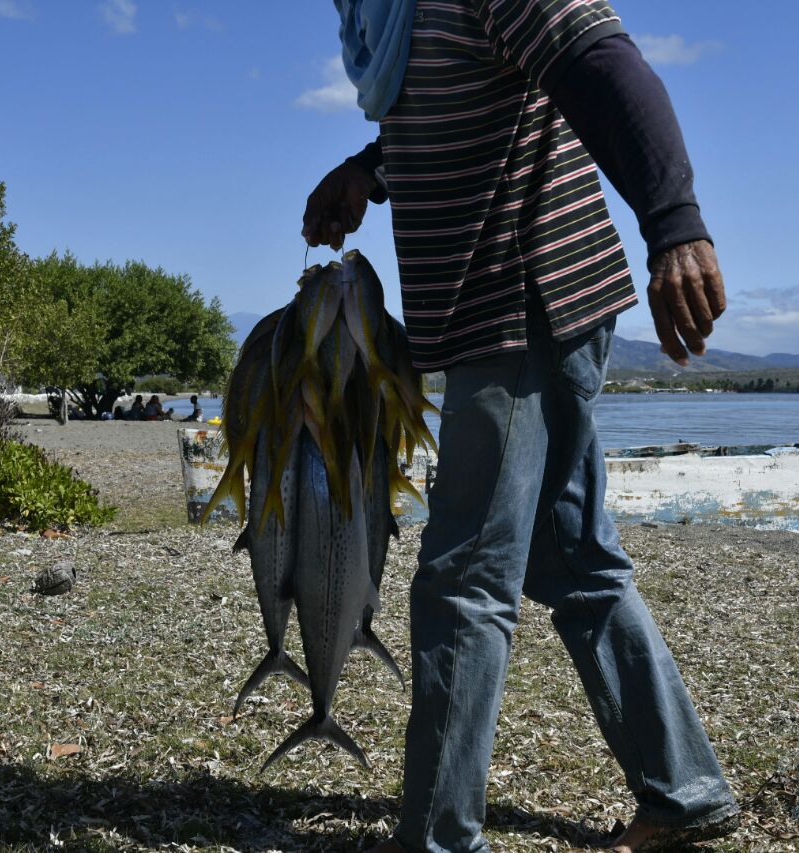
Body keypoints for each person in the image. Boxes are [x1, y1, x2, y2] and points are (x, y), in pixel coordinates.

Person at [303, 2, 737, 851]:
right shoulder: (389, 18)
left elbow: (603, 62)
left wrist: (675, 224)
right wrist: (370, 168)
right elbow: (477, 99)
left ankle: (438, 838)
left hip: (523, 305)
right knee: (571, 555)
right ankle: (684, 788)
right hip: (491, 314)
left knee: (464, 575)